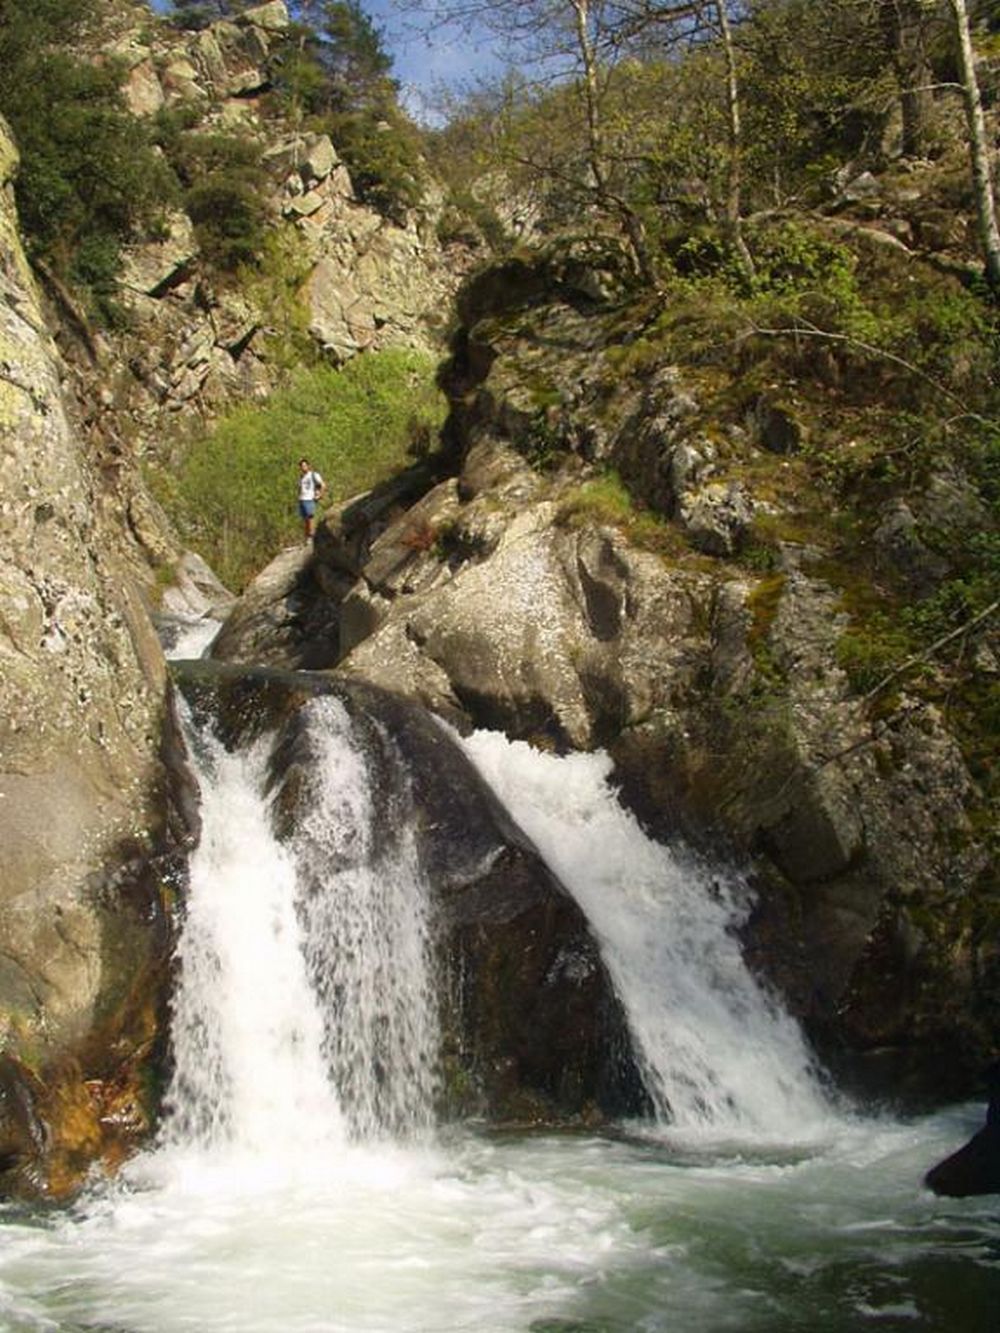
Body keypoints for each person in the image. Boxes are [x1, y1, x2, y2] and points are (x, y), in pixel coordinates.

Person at [297, 457, 325, 543]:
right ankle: (307, 537)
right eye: (301, 466)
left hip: (309, 499)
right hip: (302, 499)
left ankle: (311, 537)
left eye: (305, 465)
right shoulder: (301, 477)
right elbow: (300, 488)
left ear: (308, 466)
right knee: (305, 519)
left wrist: (320, 495)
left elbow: (323, 485)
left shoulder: (313, 475)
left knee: (310, 518)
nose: (303, 467)